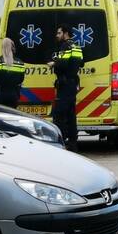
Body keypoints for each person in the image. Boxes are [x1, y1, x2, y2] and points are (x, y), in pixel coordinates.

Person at [48, 23, 83, 151]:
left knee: (59, 114)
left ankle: (60, 141)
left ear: (65, 33)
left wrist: (53, 63)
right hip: (72, 83)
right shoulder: (77, 46)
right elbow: (82, 63)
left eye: (59, 33)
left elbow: (62, 64)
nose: (57, 35)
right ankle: (73, 142)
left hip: (65, 84)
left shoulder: (65, 46)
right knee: (71, 114)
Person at [0, 38, 26, 108]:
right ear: (13, 48)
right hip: (14, 96)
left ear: (2, 48)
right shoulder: (20, 63)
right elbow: (21, 79)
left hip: (0, 95)